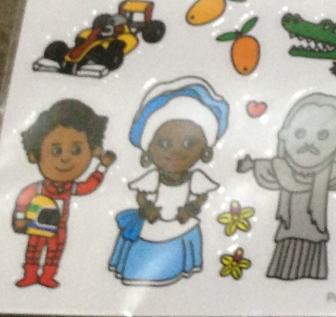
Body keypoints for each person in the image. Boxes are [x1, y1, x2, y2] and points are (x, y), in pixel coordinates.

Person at [237, 93, 336, 281]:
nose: (309, 142)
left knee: (311, 253)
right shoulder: (280, 167)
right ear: (284, 135)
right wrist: (250, 165)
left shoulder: (329, 172)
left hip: (313, 231)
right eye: (300, 133)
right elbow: (266, 167)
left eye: (323, 135)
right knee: (286, 253)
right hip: (288, 229)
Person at [108, 77, 228, 287]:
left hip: (182, 225)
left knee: (178, 264)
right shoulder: (152, 178)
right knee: (144, 255)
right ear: (149, 150)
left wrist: (192, 209)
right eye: (164, 143)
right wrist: (147, 208)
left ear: (205, 150)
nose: (176, 152)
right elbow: (141, 194)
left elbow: (201, 196)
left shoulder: (196, 179)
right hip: (151, 224)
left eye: (189, 143)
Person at [12, 98, 114, 289]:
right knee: (33, 250)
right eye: (56, 150)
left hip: (58, 228)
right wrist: (19, 218)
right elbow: (23, 199)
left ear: (92, 151)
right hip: (36, 225)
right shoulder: (38, 188)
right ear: (35, 153)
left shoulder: (69, 187)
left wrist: (102, 167)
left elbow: (88, 186)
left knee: (55, 252)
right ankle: (30, 274)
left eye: (76, 150)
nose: (65, 158)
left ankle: (48, 276)